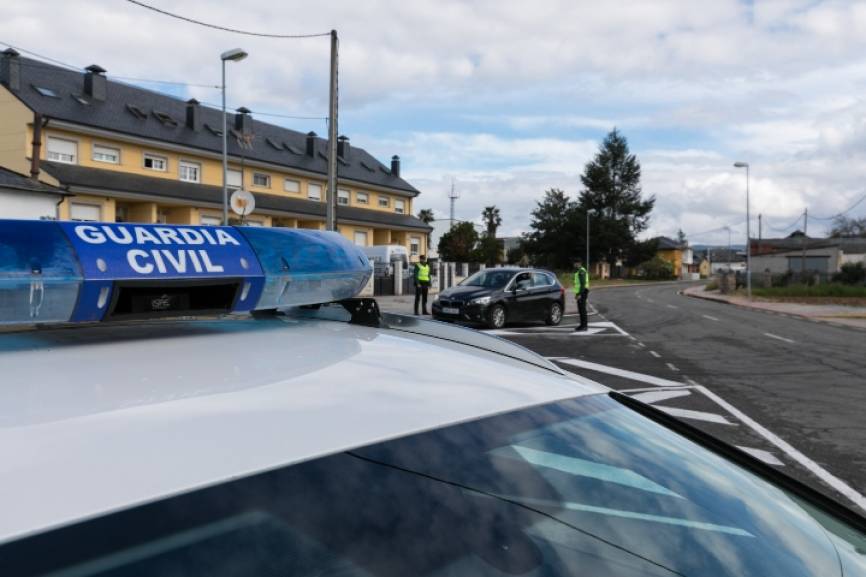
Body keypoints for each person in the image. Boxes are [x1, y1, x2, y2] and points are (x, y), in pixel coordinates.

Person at [573, 259, 590, 331]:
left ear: (578, 263)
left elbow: (583, 284)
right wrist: (577, 294)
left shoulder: (581, 271)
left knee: (582, 309)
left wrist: (579, 294)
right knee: (581, 309)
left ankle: (584, 326)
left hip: (582, 292)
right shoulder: (579, 271)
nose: (574, 264)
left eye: (575, 263)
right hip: (580, 292)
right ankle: (582, 325)